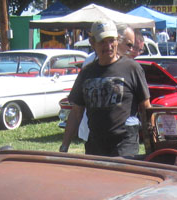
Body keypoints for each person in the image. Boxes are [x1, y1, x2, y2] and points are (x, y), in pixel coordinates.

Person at [60, 20, 150, 158]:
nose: (108, 46)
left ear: (117, 41)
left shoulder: (132, 68)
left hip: (124, 149)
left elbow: (146, 108)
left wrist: (151, 144)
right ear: (92, 43)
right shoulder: (87, 72)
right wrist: (64, 147)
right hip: (95, 148)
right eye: (102, 41)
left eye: (111, 41)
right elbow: (76, 112)